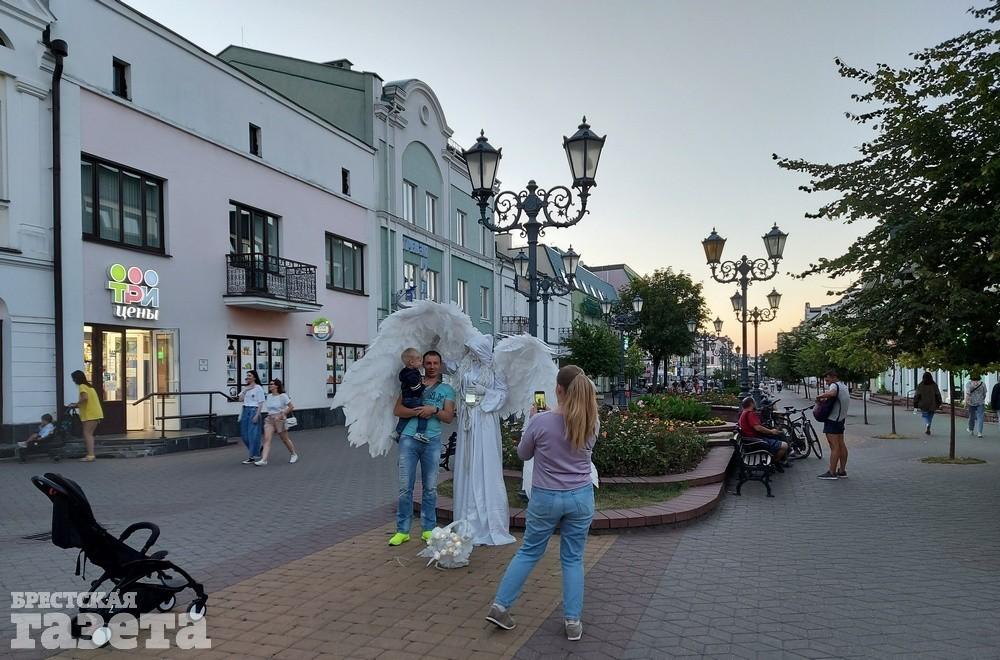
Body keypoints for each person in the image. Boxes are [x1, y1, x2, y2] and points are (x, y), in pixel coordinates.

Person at [486, 365, 598, 642]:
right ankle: (573, 622)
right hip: (580, 497)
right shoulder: (591, 421)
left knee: (529, 551)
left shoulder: (541, 422)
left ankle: (501, 606)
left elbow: (523, 454)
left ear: (558, 389)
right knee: (572, 558)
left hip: (546, 497)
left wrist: (535, 419)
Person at [453, 335, 516, 546]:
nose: (471, 353)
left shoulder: (495, 368)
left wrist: (485, 393)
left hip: (485, 419)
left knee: (485, 464)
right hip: (468, 418)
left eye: (475, 349)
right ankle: (466, 521)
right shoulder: (465, 365)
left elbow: (503, 394)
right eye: (470, 349)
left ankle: (488, 523)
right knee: (467, 466)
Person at [389, 350, 455, 546]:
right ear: (422, 364)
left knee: (430, 488)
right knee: (405, 487)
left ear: (440, 365)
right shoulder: (412, 382)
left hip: (432, 440)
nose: (432, 366)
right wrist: (418, 412)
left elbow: (449, 417)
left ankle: (428, 529)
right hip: (409, 439)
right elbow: (397, 410)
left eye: (436, 363)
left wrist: (433, 410)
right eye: (428, 363)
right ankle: (402, 531)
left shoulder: (447, 390)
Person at [737, 397, 790, 470]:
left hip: (750, 440)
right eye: (754, 402)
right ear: (751, 403)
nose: (755, 404)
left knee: (778, 435)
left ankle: (780, 459)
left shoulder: (743, 413)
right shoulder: (750, 414)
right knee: (784, 445)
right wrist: (771, 431)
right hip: (756, 442)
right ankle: (774, 462)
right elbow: (758, 428)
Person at [816, 369, 851, 480]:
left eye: (827, 380)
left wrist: (819, 397)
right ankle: (842, 471)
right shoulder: (844, 386)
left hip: (832, 420)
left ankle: (831, 472)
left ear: (833, 377)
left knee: (834, 446)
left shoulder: (834, 386)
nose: (826, 382)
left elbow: (832, 393)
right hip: (841, 419)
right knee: (841, 445)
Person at [255, 379, 298, 466]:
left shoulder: (283, 396)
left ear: (277, 386)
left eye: (272, 384)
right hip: (269, 419)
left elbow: (291, 407)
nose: (270, 385)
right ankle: (264, 460)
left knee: (285, 439)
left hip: (280, 419)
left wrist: (282, 415)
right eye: (269, 384)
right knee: (267, 439)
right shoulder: (269, 396)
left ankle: (293, 454)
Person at [390, 348, 429, 442]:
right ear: (411, 362)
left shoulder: (404, 372)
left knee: (405, 417)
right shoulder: (412, 374)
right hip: (413, 398)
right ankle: (420, 433)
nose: (421, 363)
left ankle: (397, 432)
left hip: (406, 398)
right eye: (419, 361)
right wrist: (423, 386)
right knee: (424, 413)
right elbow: (415, 389)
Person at [68, 370, 102, 462]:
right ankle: (91, 454)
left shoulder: (82, 386)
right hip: (95, 413)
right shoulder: (90, 387)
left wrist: (75, 404)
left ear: (76, 378)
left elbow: (85, 398)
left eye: (73, 378)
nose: (73, 380)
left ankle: (90, 455)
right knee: (89, 434)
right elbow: (87, 401)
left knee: (87, 434)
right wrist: (77, 405)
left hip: (89, 414)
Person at [236, 370, 265, 464]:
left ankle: (252, 456)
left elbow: (260, 402)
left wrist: (257, 415)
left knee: (252, 435)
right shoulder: (246, 388)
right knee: (244, 435)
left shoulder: (258, 388)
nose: (247, 377)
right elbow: (240, 399)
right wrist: (245, 390)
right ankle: (257, 449)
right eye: (247, 375)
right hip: (245, 410)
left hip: (253, 410)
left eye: (249, 375)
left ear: (254, 378)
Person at [913, 372, 942, 437]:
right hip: (932, 403)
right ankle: (928, 424)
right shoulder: (934, 385)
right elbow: (938, 394)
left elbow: (917, 395)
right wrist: (940, 402)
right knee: (931, 415)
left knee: (925, 415)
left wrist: (915, 405)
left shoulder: (920, 385)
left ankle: (927, 424)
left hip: (923, 403)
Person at [965, 373, 987, 438]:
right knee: (980, 417)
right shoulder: (983, 384)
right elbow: (984, 393)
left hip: (971, 403)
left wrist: (966, 402)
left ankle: (971, 430)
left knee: (971, 416)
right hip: (980, 402)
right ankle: (979, 432)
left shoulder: (969, 384)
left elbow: (968, 394)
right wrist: (982, 399)